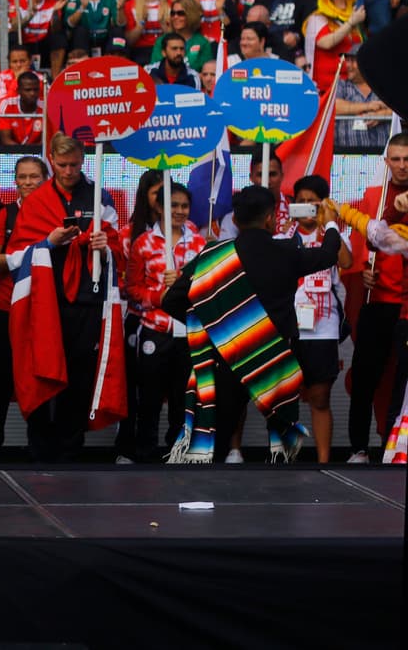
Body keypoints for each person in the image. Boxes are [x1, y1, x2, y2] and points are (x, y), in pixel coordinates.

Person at [162, 186, 342, 462]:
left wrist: (214, 324)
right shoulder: (286, 251)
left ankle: (207, 480)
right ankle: (279, 478)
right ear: (270, 218)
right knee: (280, 429)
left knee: (219, 434)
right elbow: (329, 254)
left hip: (225, 356)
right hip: (274, 358)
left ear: (235, 220)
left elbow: (171, 300)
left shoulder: (214, 255)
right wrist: (329, 222)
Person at [6, 132, 126, 463]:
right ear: (51, 161)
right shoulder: (36, 202)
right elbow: (14, 257)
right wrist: (49, 242)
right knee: (42, 369)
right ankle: (40, 451)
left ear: (83, 161)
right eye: (62, 165)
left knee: (80, 376)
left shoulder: (100, 196)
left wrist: (105, 246)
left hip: (89, 299)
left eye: (74, 164)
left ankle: (71, 451)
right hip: (46, 303)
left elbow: (119, 249)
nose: (69, 171)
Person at [121, 181, 205, 462]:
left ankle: (177, 454)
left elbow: (207, 286)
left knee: (183, 400)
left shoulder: (199, 243)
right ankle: (145, 454)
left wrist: (182, 282)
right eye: (173, 206)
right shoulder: (143, 243)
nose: (180, 211)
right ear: (159, 207)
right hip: (155, 330)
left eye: (184, 206)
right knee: (149, 398)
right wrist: (161, 296)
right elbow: (132, 290)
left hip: (188, 331)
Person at [0, 155, 47, 461]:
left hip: (43, 314)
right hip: (6, 310)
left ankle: (41, 454)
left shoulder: (55, 216)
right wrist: (23, 256)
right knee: (1, 384)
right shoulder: (5, 215)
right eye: (22, 177)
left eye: (34, 177)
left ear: (45, 180)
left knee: (42, 382)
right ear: (15, 180)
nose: (28, 182)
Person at [346, 132, 408, 462]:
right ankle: (359, 447)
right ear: (386, 162)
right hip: (378, 301)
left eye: (407, 159)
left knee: (402, 382)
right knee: (365, 378)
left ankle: (392, 446)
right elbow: (358, 245)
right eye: (395, 159)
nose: (402, 165)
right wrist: (362, 272)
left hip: (406, 307)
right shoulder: (373, 194)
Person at [283, 175, 352, 464]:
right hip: (289, 328)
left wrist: (330, 222)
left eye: (313, 201)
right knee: (285, 400)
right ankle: (286, 460)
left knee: (320, 397)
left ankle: (323, 462)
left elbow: (346, 262)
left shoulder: (333, 234)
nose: (307, 206)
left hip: (323, 328)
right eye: (301, 201)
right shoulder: (283, 236)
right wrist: (285, 232)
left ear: (323, 203)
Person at [303, 0, 364, 95]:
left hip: (351, 85)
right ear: (327, 0)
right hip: (326, 88)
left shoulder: (348, 20)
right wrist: (351, 23)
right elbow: (326, 43)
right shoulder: (316, 19)